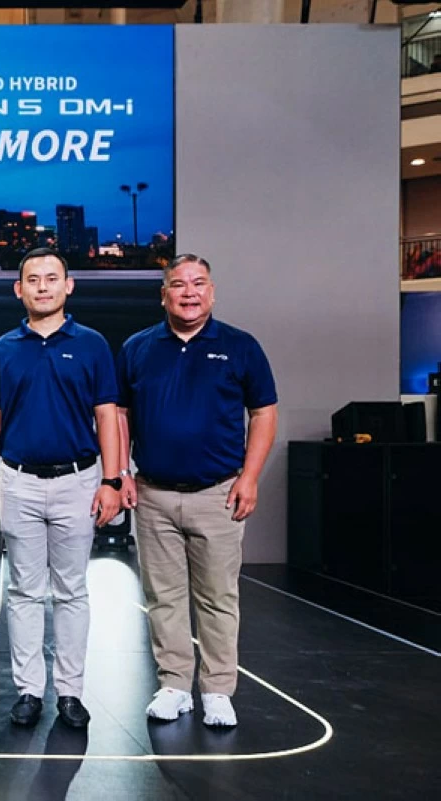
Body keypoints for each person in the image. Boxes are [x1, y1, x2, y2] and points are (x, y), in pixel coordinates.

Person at [116, 253, 278, 729]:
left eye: (198, 284)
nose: (189, 293)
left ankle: (218, 690)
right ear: (163, 294)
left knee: (217, 597)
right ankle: (173, 685)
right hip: (153, 494)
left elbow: (264, 413)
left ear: (213, 292)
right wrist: (122, 472)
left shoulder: (241, 346)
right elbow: (120, 414)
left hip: (218, 493)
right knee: (163, 596)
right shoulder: (138, 348)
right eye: (179, 285)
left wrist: (249, 478)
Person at [0, 248, 122, 730]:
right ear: (18, 290)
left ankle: (71, 693)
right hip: (17, 481)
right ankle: (27, 691)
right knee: (22, 591)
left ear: (68, 286)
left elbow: (107, 416)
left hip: (78, 481)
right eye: (33, 280)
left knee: (72, 591)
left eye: (51, 278)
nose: (42, 286)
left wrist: (112, 480)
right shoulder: (3, 349)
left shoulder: (93, 345)